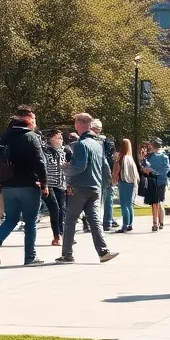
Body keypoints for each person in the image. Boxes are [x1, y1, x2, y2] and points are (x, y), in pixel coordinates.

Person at [0, 106, 49, 267]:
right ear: (27, 122)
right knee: (30, 222)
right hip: (29, 184)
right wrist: (44, 183)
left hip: (8, 186)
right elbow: (40, 161)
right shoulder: (31, 137)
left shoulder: (3, 137)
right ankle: (30, 257)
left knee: (11, 219)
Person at [57, 113, 119, 264]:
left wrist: (65, 168)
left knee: (70, 220)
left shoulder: (80, 144)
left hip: (80, 187)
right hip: (95, 187)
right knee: (94, 220)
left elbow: (79, 166)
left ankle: (67, 254)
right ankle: (103, 251)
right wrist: (106, 184)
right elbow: (105, 167)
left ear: (78, 124)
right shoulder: (98, 145)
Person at [42, 131, 67, 246]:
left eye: (61, 137)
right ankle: (57, 235)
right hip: (49, 185)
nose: (60, 139)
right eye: (58, 137)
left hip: (61, 184)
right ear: (50, 139)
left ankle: (62, 234)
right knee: (55, 209)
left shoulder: (64, 151)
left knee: (61, 210)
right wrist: (44, 183)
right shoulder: (45, 151)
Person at [142, 140, 170, 231]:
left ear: (153, 146)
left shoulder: (154, 157)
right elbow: (166, 169)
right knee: (158, 202)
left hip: (156, 181)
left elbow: (165, 169)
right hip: (158, 181)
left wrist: (152, 172)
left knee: (155, 203)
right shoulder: (160, 156)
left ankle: (155, 224)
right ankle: (160, 222)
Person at [94, 121, 118, 231]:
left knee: (99, 199)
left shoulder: (97, 142)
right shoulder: (105, 142)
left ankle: (104, 221)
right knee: (107, 198)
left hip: (100, 173)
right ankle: (107, 221)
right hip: (105, 173)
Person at [114, 138, 139, 233]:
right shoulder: (130, 158)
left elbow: (117, 170)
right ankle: (130, 224)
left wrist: (114, 179)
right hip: (132, 183)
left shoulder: (121, 158)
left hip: (124, 182)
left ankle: (125, 225)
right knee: (129, 205)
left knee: (124, 204)